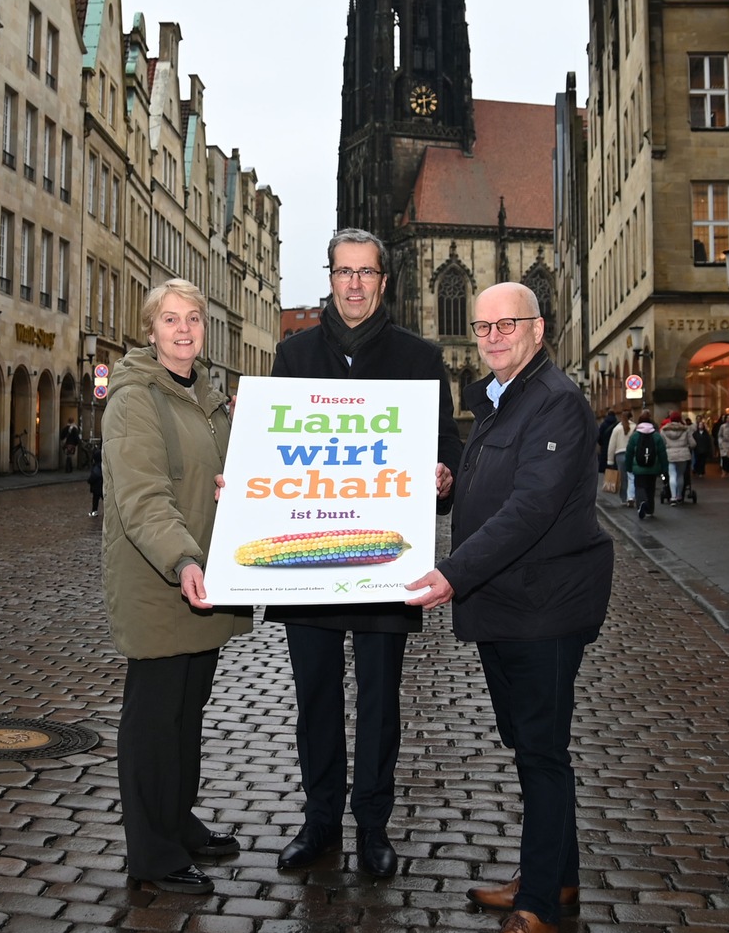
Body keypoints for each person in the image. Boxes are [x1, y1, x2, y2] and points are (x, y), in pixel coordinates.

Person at [403, 282, 613, 933]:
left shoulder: (553, 401)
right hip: (510, 604)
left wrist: (451, 574)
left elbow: (529, 509)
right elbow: (497, 483)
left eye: (506, 325)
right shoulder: (505, 398)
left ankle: (539, 906)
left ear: (537, 329)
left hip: (542, 606)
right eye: (483, 326)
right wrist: (451, 480)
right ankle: (557, 875)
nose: (492, 336)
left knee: (541, 753)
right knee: (531, 745)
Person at [267, 228, 462, 879]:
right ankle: (320, 821)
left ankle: (372, 826)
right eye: (343, 272)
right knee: (315, 700)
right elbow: (276, 457)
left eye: (366, 273)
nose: (354, 283)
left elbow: (446, 450)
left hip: (386, 564)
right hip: (311, 565)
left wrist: (441, 479)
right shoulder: (292, 356)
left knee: (379, 705)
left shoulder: (418, 357)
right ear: (329, 278)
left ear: (384, 282)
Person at [101, 279, 251, 895]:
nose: (184, 329)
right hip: (163, 578)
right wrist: (185, 562)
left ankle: (177, 820)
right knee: (153, 719)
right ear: (151, 328)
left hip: (205, 578)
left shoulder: (208, 399)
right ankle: (152, 853)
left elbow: (224, 480)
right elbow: (144, 499)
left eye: (193, 318)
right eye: (170, 319)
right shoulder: (135, 398)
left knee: (188, 713)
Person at [626, 410, 667, 519]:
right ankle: (650, 509)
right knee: (651, 488)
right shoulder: (657, 436)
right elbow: (663, 454)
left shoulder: (635, 436)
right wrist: (664, 468)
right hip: (653, 468)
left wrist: (628, 467)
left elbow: (629, 453)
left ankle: (642, 502)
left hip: (638, 468)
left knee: (639, 486)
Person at [659, 411, 694, 504]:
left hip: (670, 454)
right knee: (680, 475)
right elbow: (693, 443)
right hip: (683, 455)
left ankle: (673, 497)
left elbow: (661, 443)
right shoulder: (686, 429)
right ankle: (679, 495)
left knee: (672, 475)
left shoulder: (664, 430)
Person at [606, 409, 634, 506]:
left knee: (622, 478)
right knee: (632, 477)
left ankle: (623, 498)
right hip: (631, 454)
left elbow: (612, 445)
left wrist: (610, 461)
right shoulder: (634, 427)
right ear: (631, 417)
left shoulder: (617, 429)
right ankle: (631, 496)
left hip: (620, 455)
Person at [596, 408, 616, 473]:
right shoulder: (617, 424)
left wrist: (601, 443)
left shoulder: (603, 424)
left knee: (605, 466)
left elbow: (599, 436)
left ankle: (608, 479)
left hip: (605, 447)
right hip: (615, 447)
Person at [88, 446, 103, 517]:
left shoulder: (96, 467)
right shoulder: (103, 465)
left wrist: (89, 481)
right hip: (102, 486)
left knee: (95, 501)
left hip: (96, 487)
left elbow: (94, 476)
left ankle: (94, 512)